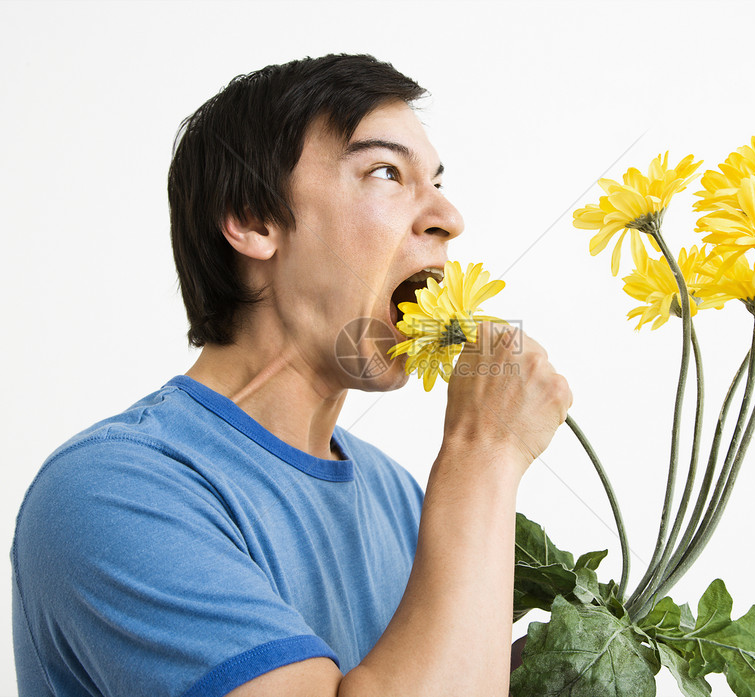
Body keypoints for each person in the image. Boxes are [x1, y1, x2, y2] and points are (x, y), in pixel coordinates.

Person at [11, 54, 571, 697]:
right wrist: (486, 450)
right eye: (387, 172)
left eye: (439, 182)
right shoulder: (111, 492)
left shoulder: (399, 497)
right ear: (253, 220)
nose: (448, 217)